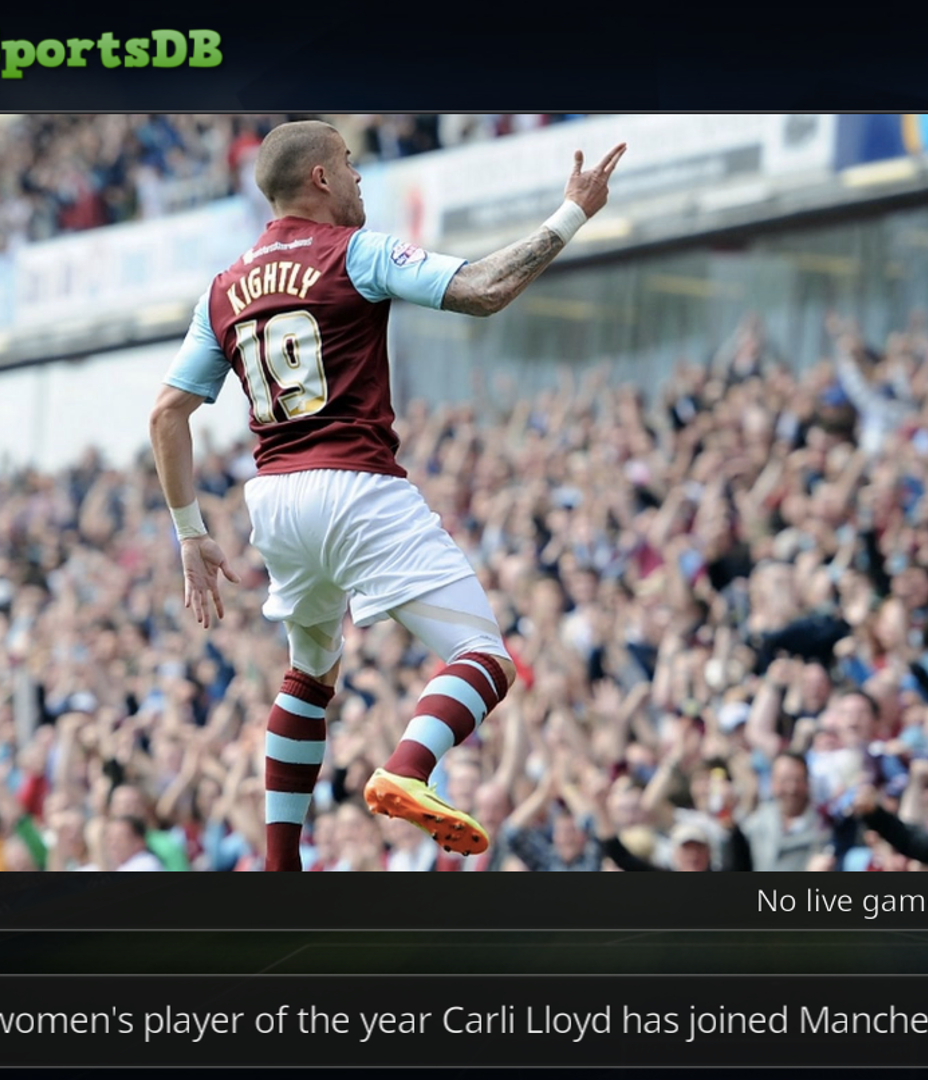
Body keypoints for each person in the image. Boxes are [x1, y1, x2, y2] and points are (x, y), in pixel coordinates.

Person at [148, 120, 626, 869]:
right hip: (355, 486)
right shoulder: (353, 252)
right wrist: (572, 213)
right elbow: (483, 289)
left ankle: (279, 865)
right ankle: (408, 768)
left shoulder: (223, 288)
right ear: (321, 179)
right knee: (483, 657)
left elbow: (166, 414)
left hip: (274, 499)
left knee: (309, 674)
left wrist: (189, 532)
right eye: (349, 164)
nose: (359, 176)